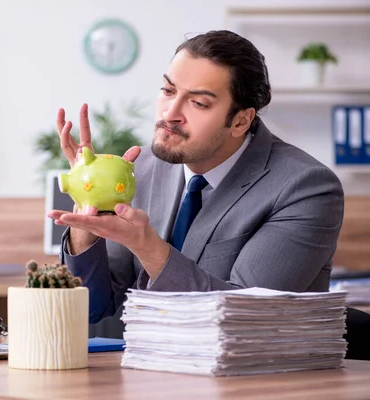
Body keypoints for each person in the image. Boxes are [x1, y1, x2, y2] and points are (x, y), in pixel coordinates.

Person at [47, 30, 345, 326]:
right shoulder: (143, 167)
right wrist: (85, 225)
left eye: (198, 103)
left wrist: (147, 247)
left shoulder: (306, 187)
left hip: (253, 372)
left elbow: (246, 317)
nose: (171, 113)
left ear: (240, 121)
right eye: (167, 91)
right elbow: (92, 311)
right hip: (147, 366)